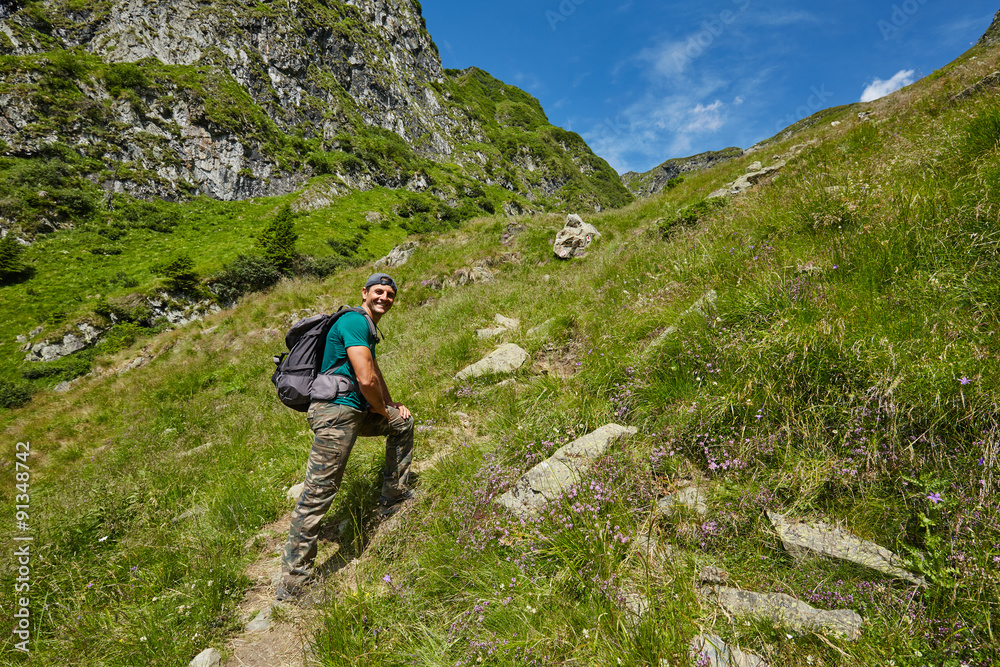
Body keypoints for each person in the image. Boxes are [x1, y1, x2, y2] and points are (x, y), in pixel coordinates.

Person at [277, 272, 414, 601]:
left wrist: (390, 406)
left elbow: (373, 373)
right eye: (378, 292)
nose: (384, 298)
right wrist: (380, 407)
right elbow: (366, 379)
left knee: (402, 424)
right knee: (318, 493)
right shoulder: (354, 321)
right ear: (364, 293)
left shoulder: (365, 327)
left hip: (350, 410)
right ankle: (294, 584)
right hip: (336, 412)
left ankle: (393, 495)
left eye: (390, 294)